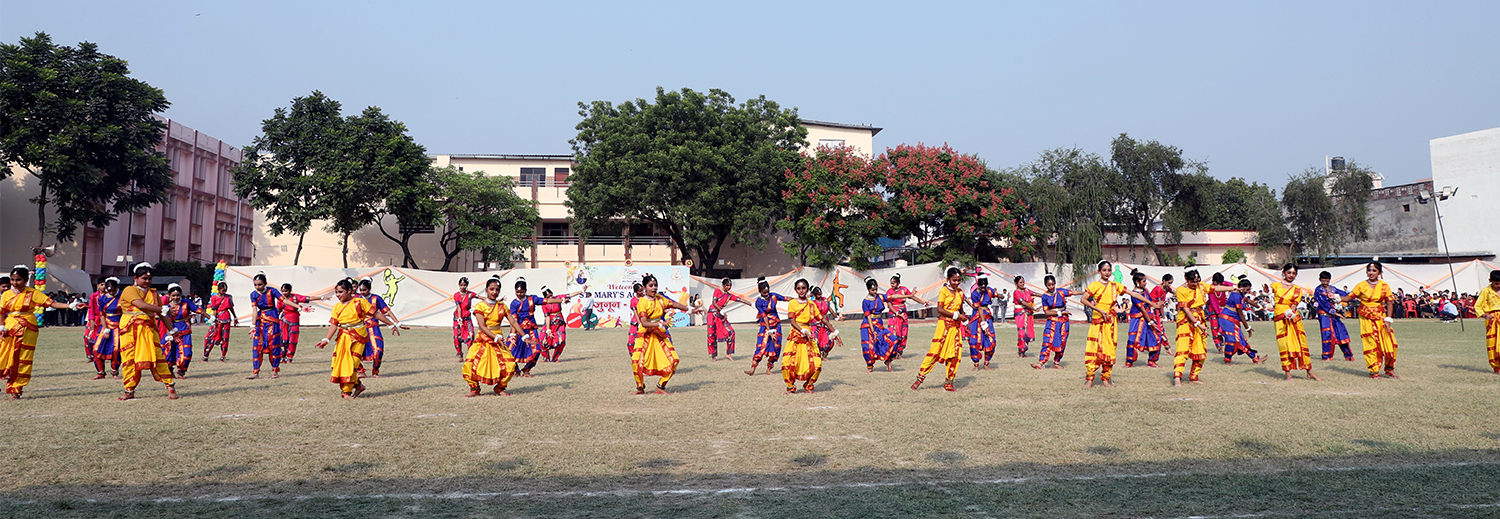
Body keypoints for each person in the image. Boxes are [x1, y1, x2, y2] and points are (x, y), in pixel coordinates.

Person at [0, 266, 83, 398]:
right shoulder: (6, 294)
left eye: (19, 280)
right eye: (13, 280)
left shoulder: (33, 293)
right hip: (9, 327)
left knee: (22, 357)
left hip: (27, 328)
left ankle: (17, 388)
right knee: (3, 354)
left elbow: (52, 304)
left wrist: (70, 306)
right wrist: (1, 326)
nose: (15, 283)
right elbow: (2, 311)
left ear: (26, 280)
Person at [315, 278, 388, 399]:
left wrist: (392, 324)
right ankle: (358, 385)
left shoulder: (360, 302)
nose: (338, 295)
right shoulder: (337, 307)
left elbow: (376, 314)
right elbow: (334, 324)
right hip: (343, 337)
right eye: (336, 292)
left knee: (351, 364)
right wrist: (326, 339)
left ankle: (346, 393)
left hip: (358, 336)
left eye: (340, 292)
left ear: (349, 290)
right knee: (340, 365)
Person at [115, 263, 177, 400]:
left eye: (149, 279)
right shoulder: (129, 290)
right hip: (130, 330)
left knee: (158, 357)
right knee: (129, 360)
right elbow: (141, 305)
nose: (147, 281)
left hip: (149, 329)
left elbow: (163, 315)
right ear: (135, 278)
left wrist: (172, 330)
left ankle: (170, 386)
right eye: (144, 278)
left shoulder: (154, 294)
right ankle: (129, 390)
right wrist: (161, 309)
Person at [1083, 261, 1143, 388]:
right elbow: (1083, 299)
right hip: (1098, 321)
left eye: (1109, 270)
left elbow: (1133, 294)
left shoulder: (1115, 285)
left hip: (1110, 322)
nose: (1107, 272)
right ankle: (1090, 379)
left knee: (1109, 349)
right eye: (1104, 270)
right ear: (1099, 271)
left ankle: (1106, 379)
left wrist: (1151, 303)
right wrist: (1100, 310)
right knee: (1094, 348)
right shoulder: (1094, 285)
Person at [1173, 269, 1236, 386]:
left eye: (1197, 281)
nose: (1195, 284)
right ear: (1186, 279)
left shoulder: (1201, 286)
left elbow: (1215, 288)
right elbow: (1186, 309)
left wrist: (1233, 288)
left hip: (1200, 319)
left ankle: (1193, 377)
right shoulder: (1181, 290)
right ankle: (1177, 377)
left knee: (1200, 350)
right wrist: (1197, 324)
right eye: (1192, 281)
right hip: (1186, 321)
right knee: (1182, 349)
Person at [911, 267, 967, 391]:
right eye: (954, 280)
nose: (957, 283)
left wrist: (965, 321)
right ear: (948, 279)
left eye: (958, 280)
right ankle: (920, 378)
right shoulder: (943, 291)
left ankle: (949, 382)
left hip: (956, 328)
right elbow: (940, 309)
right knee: (935, 352)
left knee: (955, 355)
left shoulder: (961, 292)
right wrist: (956, 315)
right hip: (944, 326)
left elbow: (960, 308)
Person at [1342, 262, 1400, 379]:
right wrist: (1336, 298)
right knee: (1371, 343)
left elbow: (1389, 303)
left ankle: (1389, 369)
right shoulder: (1361, 285)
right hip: (1366, 318)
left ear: (1379, 272)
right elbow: (1348, 298)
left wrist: (1388, 319)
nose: (1371, 273)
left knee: (1390, 343)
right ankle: (1374, 371)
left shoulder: (1384, 286)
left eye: (1374, 270)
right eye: (1369, 270)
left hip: (1381, 317)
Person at [465, 276, 522, 396]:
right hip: (483, 339)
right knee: (470, 365)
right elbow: (482, 326)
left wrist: (525, 336)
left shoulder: (502, 306)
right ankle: (475, 389)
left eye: (497, 290)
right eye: (492, 289)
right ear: (486, 290)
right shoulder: (480, 306)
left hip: (498, 339)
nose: (494, 292)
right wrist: (495, 338)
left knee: (510, 365)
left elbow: (514, 322)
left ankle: (499, 388)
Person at [632, 274, 688, 394]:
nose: (654, 288)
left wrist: (690, 309)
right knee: (636, 361)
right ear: (645, 287)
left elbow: (673, 304)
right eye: (650, 286)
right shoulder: (642, 302)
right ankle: (640, 388)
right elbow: (644, 323)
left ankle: (660, 387)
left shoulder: (660, 299)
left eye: (655, 285)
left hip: (659, 334)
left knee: (674, 360)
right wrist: (661, 324)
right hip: (645, 334)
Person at [1271, 264, 1320, 381]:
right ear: (1283, 273)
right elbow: (1270, 291)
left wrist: (1291, 312)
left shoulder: (1298, 289)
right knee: (1284, 344)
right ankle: (1287, 373)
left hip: (1293, 317)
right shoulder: (1275, 286)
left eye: (1293, 273)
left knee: (1301, 342)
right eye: (1289, 272)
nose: (1291, 275)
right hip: (1280, 318)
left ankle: (1309, 371)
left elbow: (1294, 304)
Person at [782, 279, 826, 393]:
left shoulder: (812, 304)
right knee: (788, 362)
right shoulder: (792, 303)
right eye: (799, 288)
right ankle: (790, 387)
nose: (801, 291)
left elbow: (822, 319)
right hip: (796, 335)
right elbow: (793, 322)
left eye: (804, 288)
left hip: (809, 336)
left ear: (807, 289)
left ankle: (809, 385)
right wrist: (803, 331)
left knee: (817, 363)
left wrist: (835, 332)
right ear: (795, 290)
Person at [358, 277, 404, 377]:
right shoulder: (356, 298)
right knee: (355, 351)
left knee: (379, 350)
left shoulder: (376, 298)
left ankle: (375, 371)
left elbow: (387, 311)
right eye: (360, 290)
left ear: (369, 289)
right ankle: (360, 371)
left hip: (374, 328)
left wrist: (396, 323)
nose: (362, 292)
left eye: (364, 290)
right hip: (359, 328)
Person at [745, 277, 790, 376]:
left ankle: (769, 368)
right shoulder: (758, 302)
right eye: (764, 292)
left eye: (767, 291)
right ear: (759, 291)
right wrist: (769, 331)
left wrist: (799, 300)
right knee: (761, 346)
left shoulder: (773, 296)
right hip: (765, 326)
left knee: (776, 346)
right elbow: (764, 316)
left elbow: (786, 298)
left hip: (776, 325)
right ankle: (753, 369)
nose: (767, 294)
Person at [162, 284, 208, 378]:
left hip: (185, 331)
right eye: (173, 295)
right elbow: (166, 320)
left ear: (181, 294)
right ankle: (170, 370)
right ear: (169, 295)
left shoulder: (186, 303)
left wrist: (211, 318)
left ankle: (181, 372)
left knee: (187, 352)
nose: (176, 297)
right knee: (169, 351)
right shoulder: (167, 307)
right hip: (172, 331)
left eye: (178, 295)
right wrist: (169, 334)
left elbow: (199, 311)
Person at [860, 277, 903, 372]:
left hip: (879, 324)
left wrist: (909, 296)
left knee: (893, 340)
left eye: (876, 289)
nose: (875, 291)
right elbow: (868, 318)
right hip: (868, 325)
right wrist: (872, 331)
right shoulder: (865, 301)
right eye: (872, 290)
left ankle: (888, 361)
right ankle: (870, 367)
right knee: (868, 346)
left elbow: (894, 297)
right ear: (868, 289)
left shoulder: (880, 297)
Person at [1220, 278, 1267, 365]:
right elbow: (1240, 313)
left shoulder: (1239, 294)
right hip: (1227, 319)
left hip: (1233, 320)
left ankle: (1256, 359)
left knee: (1242, 340)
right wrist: (1247, 327)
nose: (1248, 291)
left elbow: (1247, 300)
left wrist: (1258, 306)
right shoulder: (1236, 296)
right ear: (1241, 287)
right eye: (1247, 289)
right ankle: (1227, 360)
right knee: (1232, 340)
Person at [247, 274, 285, 380]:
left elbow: (284, 300)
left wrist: (297, 306)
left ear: (265, 283)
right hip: (260, 321)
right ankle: (255, 372)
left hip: (272, 320)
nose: (257, 287)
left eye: (260, 284)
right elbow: (254, 310)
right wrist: (253, 326)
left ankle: (275, 370)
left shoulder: (272, 291)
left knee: (273, 346)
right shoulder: (253, 294)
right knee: (257, 346)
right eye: (255, 285)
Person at [1125, 270, 1166, 368]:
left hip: (1149, 317)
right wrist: (1150, 322)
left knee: (1156, 338)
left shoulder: (1145, 290)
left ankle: (1152, 361)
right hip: (1138, 320)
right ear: (1137, 282)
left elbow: (1150, 303)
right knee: (1132, 340)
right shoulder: (1134, 294)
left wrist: (1157, 305)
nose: (1145, 283)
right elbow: (1143, 309)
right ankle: (1129, 362)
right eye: (1144, 281)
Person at [885, 274, 930, 358]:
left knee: (903, 333)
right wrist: (897, 313)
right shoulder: (889, 292)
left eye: (894, 283)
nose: (892, 285)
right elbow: (889, 305)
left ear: (898, 283)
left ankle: (899, 352)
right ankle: (892, 353)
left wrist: (923, 303)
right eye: (891, 283)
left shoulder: (904, 289)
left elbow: (912, 297)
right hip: (894, 314)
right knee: (894, 333)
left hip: (903, 313)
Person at [1032, 275, 1072, 369]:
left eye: (1053, 284)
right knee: (1047, 341)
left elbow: (1073, 292)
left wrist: (1088, 292)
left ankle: (1056, 362)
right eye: (1049, 285)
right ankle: (1041, 363)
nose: (1051, 287)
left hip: (1064, 321)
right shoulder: (1045, 296)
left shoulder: (1061, 292)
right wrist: (1060, 312)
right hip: (1052, 320)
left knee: (1063, 341)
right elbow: (1047, 312)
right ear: (1046, 285)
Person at [706, 278, 751, 361]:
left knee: (731, 332)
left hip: (720, 314)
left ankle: (728, 353)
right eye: (727, 285)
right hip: (712, 314)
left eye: (730, 285)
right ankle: (713, 356)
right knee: (711, 334)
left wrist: (749, 303)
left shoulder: (729, 295)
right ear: (723, 285)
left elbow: (739, 299)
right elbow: (714, 303)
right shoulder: (717, 291)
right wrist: (721, 310)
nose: (729, 287)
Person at [278, 283, 323, 363]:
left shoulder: (295, 297)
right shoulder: (280, 299)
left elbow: (307, 298)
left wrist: (321, 297)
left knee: (292, 339)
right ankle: (282, 356)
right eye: (283, 291)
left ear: (290, 291)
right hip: (284, 320)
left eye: (286, 291)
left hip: (294, 319)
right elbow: (278, 311)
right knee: (282, 338)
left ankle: (289, 357)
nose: (284, 293)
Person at [1314, 271, 1354, 361]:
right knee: (1327, 334)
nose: (1325, 283)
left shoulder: (1332, 288)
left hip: (1334, 314)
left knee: (1341, 332)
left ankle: (1348, 355)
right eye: (1323, 281)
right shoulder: (1318, 290)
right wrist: (1334, 312)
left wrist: (1354, 296)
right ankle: (1327, 356)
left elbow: (1343, 294)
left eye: (1327, 281)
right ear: (1319, 280)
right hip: (1324, 315)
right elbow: (1323, 303)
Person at [538, 286, 585, 362]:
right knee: (541, 340)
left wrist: (581, 291)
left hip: (559, 323)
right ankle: (545, 357)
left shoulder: (558, 298)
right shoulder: (544, 304)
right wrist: (548, 330)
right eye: (549, 296)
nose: (551, 297)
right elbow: (547, 317)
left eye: (551, 295)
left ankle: (555, 358)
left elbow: (570, 295)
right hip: (549, 324)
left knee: (562, 341)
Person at [90, 278, 123, 379]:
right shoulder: (103, 298)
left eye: (113, 290)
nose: (111, 293)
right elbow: (102, 314)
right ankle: (100, 372)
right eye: (109, 291)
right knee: (96, 349)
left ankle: (115, 372)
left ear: (117, 287)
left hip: (118, 326)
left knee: (116, 350)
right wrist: (105, 328)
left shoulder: (122, 296)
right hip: (106, 325)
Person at [966, 275, 1001, 370]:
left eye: (984, 286)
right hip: (977, 317)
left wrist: (1003, 296)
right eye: (981, 286)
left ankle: (986, 364)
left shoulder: (989, 290)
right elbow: (979, 309)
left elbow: (997, 294)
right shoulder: (974, 294)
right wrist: (983, 323)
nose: (983, 288)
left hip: (987, 316)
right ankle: (976, 364)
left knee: (990, 340)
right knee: (974, 341)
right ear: (978, 285)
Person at [204, 282, 235, 362]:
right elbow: (214, 310)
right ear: (218, 289)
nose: (224, 292)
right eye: (223, 290)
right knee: (209, 337)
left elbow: (231, 308)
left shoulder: (229, 297)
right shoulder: (214, 298)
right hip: (217, 319)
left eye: (225, 290)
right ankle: (205, 356)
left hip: (226, 319)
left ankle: (223, 356)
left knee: (225, 338)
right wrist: (213, 321)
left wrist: (235, 317)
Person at [1011, 276, 1038, 366]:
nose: (1022, 284)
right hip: (1020, 313)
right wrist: (1033, 308)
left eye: (1023, 282)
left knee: (1027, 332)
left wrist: (1046, 295)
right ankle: (1021, 352)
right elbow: (1023, 302)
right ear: (1016, 283)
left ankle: (1024, 351)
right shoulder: (1016, 292)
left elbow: (1034, 293)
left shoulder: (1026, 290)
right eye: (1020, 282)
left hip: (1027, 313)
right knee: (1021, 332)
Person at [1477, 270, 1500, 374]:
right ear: (1490, 281)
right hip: (1492, 320)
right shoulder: (1486, 291)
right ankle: (1496, 367)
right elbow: (1478, 306)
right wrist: (1484, 315)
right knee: (1493, 343)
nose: (1499, 286)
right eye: (1496, 283)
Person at [451, 277, 476, 358]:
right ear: (459, 285)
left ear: (467, 285)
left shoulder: (470, 294)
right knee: (456, 337)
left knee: (471, 335)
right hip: (458, 318)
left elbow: (481, 297)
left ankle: (470, 355)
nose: (463, 287)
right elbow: (459, 307)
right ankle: (460, 354)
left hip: (467, 318)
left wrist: (493, 300)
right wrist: (459, 318)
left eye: (464, 285)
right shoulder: (456, 295)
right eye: (461, 285)